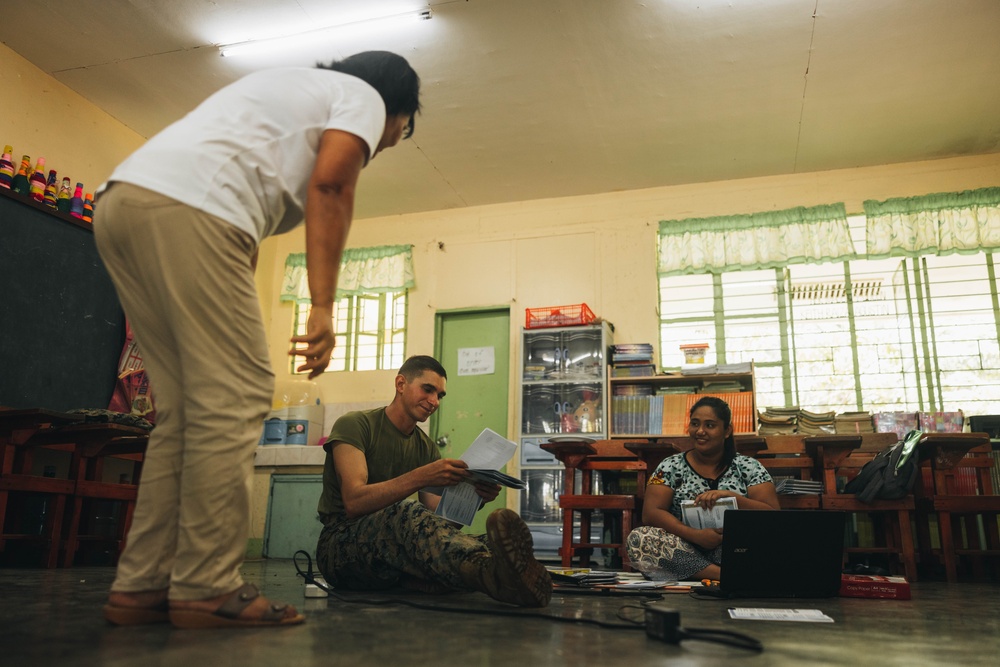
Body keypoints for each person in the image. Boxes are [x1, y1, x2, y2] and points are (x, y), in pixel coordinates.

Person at [95, 51, 421, 629]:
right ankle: (204, 584)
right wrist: (322, 306)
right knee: (237, 397)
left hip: (123, 206)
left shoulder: (285, 89)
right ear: (397, 106)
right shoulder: (364, 96)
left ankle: (142, 584)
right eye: (402, 129)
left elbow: (246, 227)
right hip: (192, 212)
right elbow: (331, 187)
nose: (391, 140)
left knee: (185, 413)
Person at [315, 355, 553, 607]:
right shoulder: (356, 425)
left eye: (440, 395)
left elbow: (436, 524)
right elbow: (354, 501)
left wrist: (476, 499)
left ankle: (495, 571)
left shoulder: (425, 447)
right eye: (428, 390)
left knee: (484, 542)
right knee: (406, 512)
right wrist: (422, 476)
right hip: (340, 547)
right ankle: (490, 575)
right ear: (400, 384)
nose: (434, 401)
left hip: (391, 547)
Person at [626, 396, 779, 582]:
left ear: (727, 431)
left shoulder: (749, 467)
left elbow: (773, 516)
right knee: (639, 539)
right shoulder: (670, 466)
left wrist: (734, 498)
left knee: (771, 542)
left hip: (732, 548)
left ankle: (697, 571)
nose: (700, 431)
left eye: (710, 425)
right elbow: (650, 513)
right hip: (683, 547)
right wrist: (697, 536)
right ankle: (726, 575)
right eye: (695, 424)